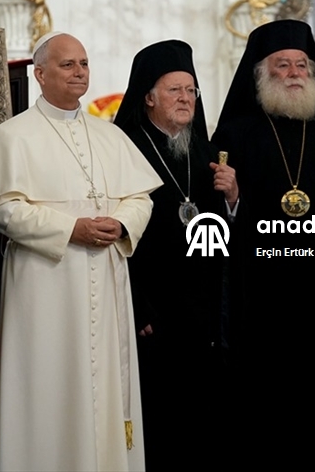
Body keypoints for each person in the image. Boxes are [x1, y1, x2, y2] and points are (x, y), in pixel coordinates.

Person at [0, 32, 162, 472]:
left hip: (107, 274)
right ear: (39, 74)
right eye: (67, 65)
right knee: (49, 386)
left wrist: (121, 223)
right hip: (46, 282)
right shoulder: (10, 137)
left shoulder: (110, 136)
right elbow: (1, 208)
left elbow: (141, 198)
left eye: (83, 63)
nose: (79, 72)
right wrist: (69, 229)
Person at [211, 19, 315, 468]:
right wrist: (233, 200)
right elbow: (211, 227)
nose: (294, 73)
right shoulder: (235, 135)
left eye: (301, 64)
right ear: (262, 74)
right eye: (282, 65)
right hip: (260, 293)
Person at [113, 40, 237, 469]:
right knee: (158, 423)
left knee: (202, 425)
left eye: (191, 91)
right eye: (174, 91)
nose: (185, 99)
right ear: (148, 97)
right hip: (151, 314)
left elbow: (223, 237)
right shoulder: (121, 149)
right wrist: (137, 305)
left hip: (202, 317)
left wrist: (233, 199)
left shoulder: (205, 153)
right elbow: (115, 236)